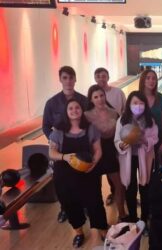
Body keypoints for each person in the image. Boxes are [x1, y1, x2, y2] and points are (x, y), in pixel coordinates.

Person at [48, 99, 107, 248]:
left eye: (77, 108)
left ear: (82, 110)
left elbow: (98, 149)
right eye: (71, 108)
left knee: (95, 203)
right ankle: (79, 232)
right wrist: (64, 157)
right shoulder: (59, 131)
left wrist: (93, 162)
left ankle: (102, 229)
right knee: (70, 204)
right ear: (66, 112)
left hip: (88, 172)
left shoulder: (91, 128)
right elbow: (52, 152)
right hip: (64, 175)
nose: (74, 110)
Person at [42, 66, 88, 223]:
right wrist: (54, 141)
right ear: (60, 79)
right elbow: (46, 126)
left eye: (71, 77)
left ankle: (83, 206)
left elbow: (89, 123)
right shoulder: (52, 103)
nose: (68, 81)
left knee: (82, 180)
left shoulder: (84, 100)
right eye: (65, 77)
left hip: (81, 147)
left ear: (76, 79)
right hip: (62, 150)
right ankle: (65, 209)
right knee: (63, 185)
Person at [114, 91, 158, 233]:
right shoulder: (122, 120)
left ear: (145, 105)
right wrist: (121, 145)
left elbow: (155, 138)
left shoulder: (150, 120)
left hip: (144, 157)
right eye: (135, 103)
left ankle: (144, 220)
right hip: (128, 158)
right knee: (130, 189)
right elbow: (117, 140)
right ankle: (133, 219)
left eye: (141, 103)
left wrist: (145, 140)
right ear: (129, 104)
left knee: (145, 188)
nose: (138, 106)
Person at [85, 85, 127, 221]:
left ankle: (122, 214)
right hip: (94, 153)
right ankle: (99, 219)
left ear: (105, 96)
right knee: (94, 189)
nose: (100, 99)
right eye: (96, 97)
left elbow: (121, 133)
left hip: (110, 152)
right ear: (91, 99)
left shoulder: (114, 113)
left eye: (101, 95)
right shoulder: (86, 116)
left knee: (119, 185)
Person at [94, 67, 126, 205]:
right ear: (95, 78)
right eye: (98, 76)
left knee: (120, 169)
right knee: (109, 172)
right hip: (102, 141)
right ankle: (114, 194)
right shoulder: (94, 95)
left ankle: (125, 195)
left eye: (104, 75)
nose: (101, 78)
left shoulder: (118, 92)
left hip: (117, 136)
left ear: (108, 77)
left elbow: (125, 111)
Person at [138, 69, 162, 167]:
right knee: (144, 168)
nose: (151, 81)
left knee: (157, 168)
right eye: (148, 78)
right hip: (140, 139)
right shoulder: (136, 97)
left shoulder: (160, 97)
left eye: (154, 78)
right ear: (143, 80)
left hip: (157, 138)